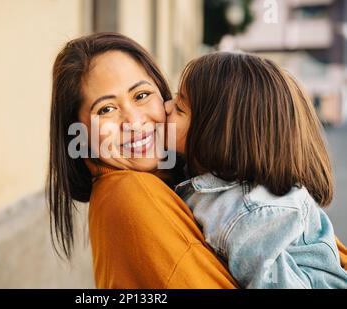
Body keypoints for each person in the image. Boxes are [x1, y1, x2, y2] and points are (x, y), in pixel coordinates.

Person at [48, 33, 347, 288]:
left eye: (141, 95)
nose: (134, 121)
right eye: (106, 110)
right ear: (79, 131)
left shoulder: (209, 181)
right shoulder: (129, 194)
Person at [166, 52, 347, 288]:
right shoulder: (204, 178)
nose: (166, 105)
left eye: (180, 108)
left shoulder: (249, 216)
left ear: (216, 136)